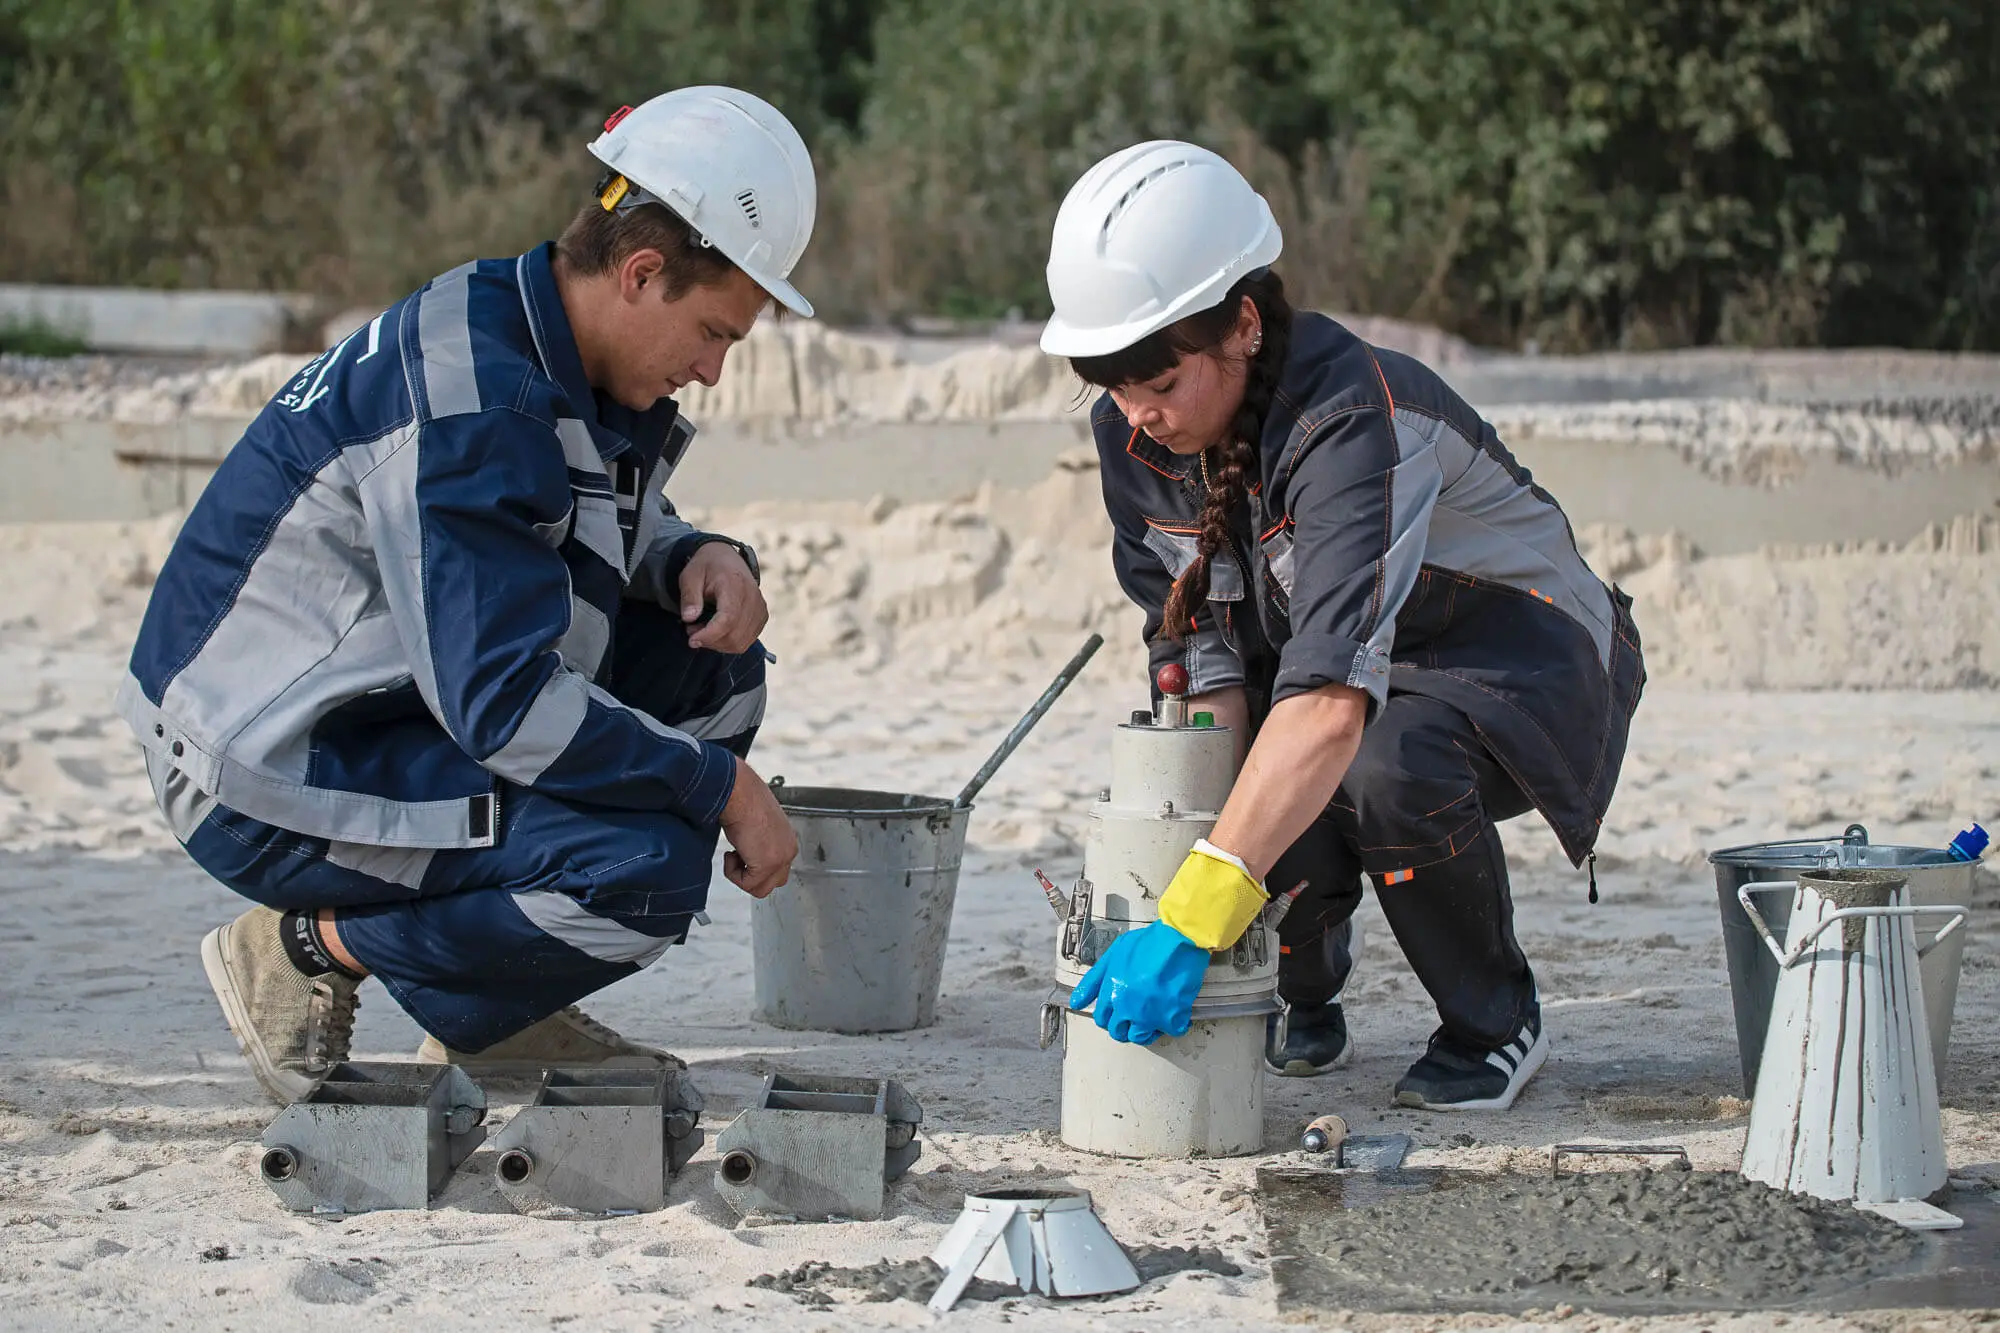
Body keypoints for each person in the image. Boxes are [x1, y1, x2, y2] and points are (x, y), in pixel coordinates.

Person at [117, 86, 813, 1103]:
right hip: (263, 758)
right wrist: (722, 788)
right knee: (645, 869)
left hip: (386, 698)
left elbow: (561, 514)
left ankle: (492, 1011)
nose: (709, 371)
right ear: (641, 271)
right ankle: (307, 951)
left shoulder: (529, 329)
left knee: (715, 670)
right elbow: (501, 703)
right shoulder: (474, 399)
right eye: (713, 333)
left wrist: (688, 553)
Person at [1049, 142, 1646, 1111]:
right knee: (1239, 779)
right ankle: (1300, 991)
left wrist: (1192, 919)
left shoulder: (1349, 418)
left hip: (1511, 655)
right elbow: (1205, 656)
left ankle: (1493, 1019)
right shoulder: (1135, 433)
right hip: (1356, 667)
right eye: (1112, 389)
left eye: (1157, 384)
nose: (1137, 415)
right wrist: (1213, 839)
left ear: (1241, 325)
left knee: (1378, 764)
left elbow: (1327, 708)